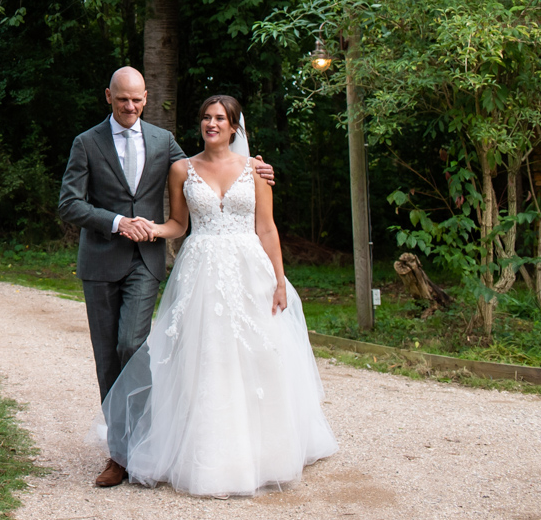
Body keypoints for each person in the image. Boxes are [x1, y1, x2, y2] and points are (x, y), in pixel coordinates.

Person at [98, 95, 337, 496]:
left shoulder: (256, 171)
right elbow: (178, 223)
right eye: (206, 117)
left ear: (234, 127)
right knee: (205, 357)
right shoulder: (182, 169)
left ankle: (265, 451)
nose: (212, 124)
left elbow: (267, 229)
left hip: (249, 270)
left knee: (257, 356)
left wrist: (279, 280)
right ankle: (204, 452)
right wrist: (150, 229)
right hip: (201, 270)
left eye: (220, 118)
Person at [57, 68, 275, 489]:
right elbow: (69, 203)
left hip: (146, 261)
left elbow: (208, 165)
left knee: (132, 345)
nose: (130, 107)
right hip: (100, 263)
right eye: (123, 100)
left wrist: (257, 168)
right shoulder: (86, 143)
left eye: (137, 100)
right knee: (108, 358)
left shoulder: (162, 140)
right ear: (108, 97)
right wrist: (118, 221)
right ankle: (119, 454)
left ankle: (147, 444)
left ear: (146, 97)